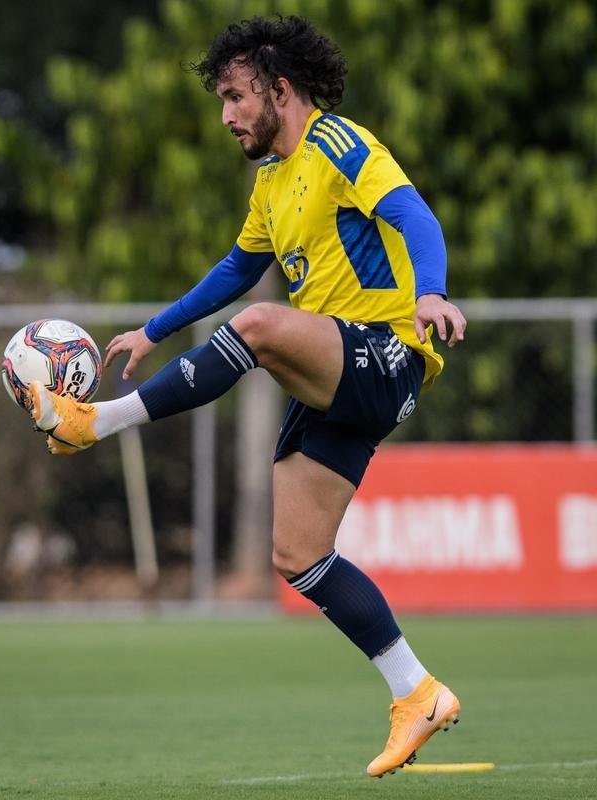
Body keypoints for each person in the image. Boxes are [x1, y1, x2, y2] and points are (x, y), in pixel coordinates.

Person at [28, 15, 467, 777]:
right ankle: (417, 691)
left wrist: (431, 294)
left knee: (260, 325)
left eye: (235, 97)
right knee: (298, 554)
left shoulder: (339, 145)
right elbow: (235, 266)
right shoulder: (270, 179)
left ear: (280, 90)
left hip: (386, 350)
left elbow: (415, 218)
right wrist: (153, 329)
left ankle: (94, 423)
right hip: (337, 372)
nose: (227, 115)